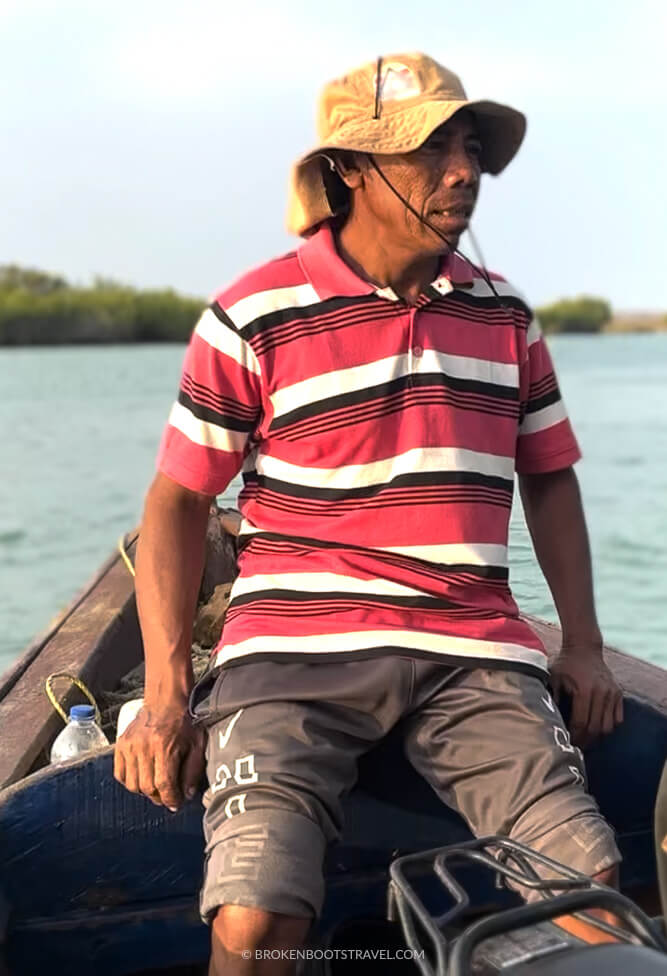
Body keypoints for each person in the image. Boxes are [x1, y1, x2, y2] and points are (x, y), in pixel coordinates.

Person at [114, 53, 625, 974]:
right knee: (254, 923)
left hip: (471, 647)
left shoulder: (504, 314)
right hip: (291, 650)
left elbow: (548, 477)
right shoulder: (252, 314)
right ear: (349, 168)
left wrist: (581, 645)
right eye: (430, 150)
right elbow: (179, 500)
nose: (463, 171)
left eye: (467, 146)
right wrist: (162, 698)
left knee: (589, 893)